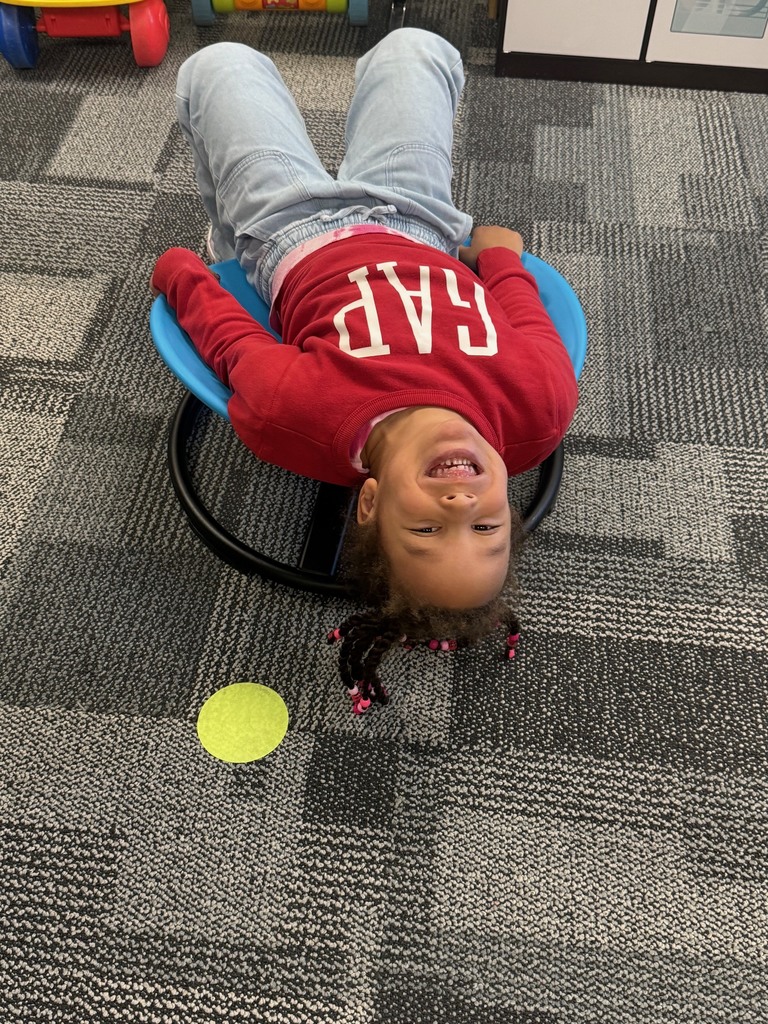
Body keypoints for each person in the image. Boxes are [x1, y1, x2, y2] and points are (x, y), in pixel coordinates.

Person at [150, 28, 579, 714]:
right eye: (488, 528)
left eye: (427, 532)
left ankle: (227, 235)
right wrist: (500, 260)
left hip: (290, 230)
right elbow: (528, 320)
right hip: (419, 220)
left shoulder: (301, 416)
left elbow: (232, 342)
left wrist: (182, 276)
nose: (460, 509)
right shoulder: (539, 407)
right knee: (419, 46)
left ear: (373, 503)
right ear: (506, 501)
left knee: (219, 65)